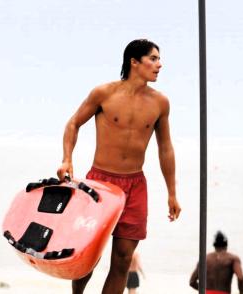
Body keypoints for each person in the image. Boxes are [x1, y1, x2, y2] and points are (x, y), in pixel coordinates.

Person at [57, 39, 181, 294]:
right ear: (134, 62)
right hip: (100, 184)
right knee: (88, 253)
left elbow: (165, 148)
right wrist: (67, 158)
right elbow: (73, 124)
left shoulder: (160, 103)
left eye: (159, 59)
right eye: (154, 59)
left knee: (123, 259)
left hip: (135, 186)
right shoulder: (104, 93)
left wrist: (171, 193)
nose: (160, 65)